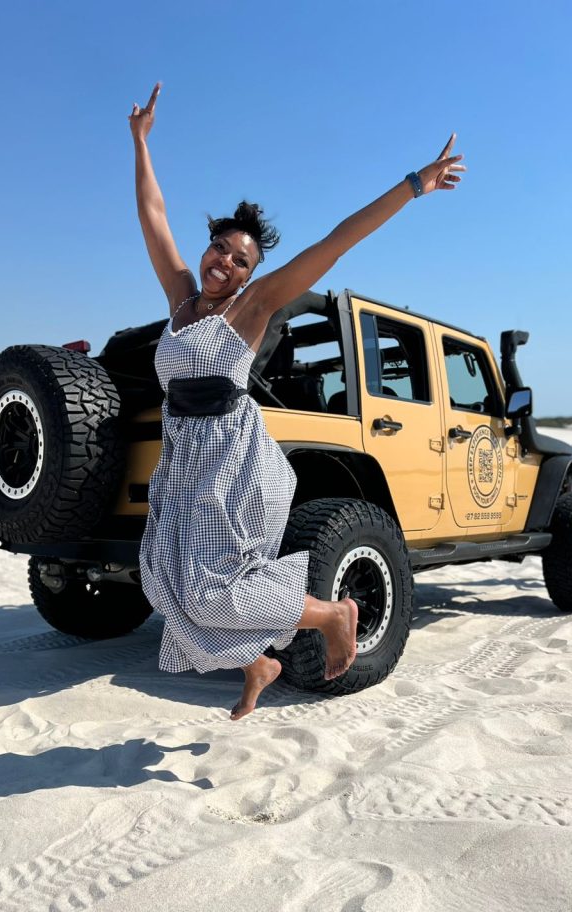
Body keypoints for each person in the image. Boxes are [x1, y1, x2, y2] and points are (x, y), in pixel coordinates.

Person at [130, 83, 466, 720]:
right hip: (182, 462)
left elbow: (336, 242)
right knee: (160, 582)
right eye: (220, 249)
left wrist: (414, 185)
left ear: (253, 274)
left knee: (213, 593)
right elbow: (152, 215)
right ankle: (257, 662)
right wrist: (141, 143)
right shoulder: (179, 298)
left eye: (240, 259)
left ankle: (334, 614)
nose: (224, 262)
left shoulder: (252, 308)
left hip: (229, 463)